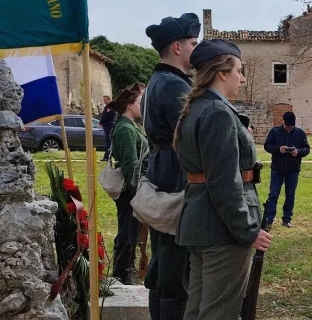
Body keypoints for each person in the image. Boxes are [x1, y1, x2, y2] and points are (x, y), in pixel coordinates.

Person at [173, 40, 272, 320]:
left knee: (197, 311)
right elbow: (224, 182)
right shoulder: (217, 113)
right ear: (222, 73)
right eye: (239, 71)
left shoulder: (198, 109)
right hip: (222, 230)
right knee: (219, 313)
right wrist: (247, 230)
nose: (242, 78)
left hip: (202, 223)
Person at [141, 12, 200, 319]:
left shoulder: (158, 81)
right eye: (193, 43)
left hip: (164, 169)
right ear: (177, 47)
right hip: (176, 174)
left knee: (164, 262)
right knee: (176, 269)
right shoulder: (173, 85)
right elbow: (192, 137)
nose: (196, 49)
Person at [109, 83, 146, 285]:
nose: (143, 105)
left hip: (135, 190)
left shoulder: (132, 125)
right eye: (140, 101)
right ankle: (121, 273)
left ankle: (127, 268)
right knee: (127, 232)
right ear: (130, 105)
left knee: (133, 231)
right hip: (130, 191)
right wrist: (139, 192)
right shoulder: (125, 129)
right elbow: (131, 166)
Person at [263, 111, 311, 228]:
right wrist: (279, 149)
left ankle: (287, 219)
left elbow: (307, 149)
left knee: (290, 195)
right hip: (277, 168)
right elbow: (267, 146)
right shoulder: (275, 131)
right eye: (287, 125)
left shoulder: (300, 133)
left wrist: (297, 152)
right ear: (282, 121)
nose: (289, 127)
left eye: (291, 126)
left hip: (293, 169)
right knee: (273, 194)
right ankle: (269, 219)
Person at [99, 95, 118, 161]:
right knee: (109, 141)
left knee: (108, 141)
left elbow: (106, 116)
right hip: (109, 125)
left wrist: (101, 122)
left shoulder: (110, 107)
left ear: (109, 99)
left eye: (105, 99)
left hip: (109, 125)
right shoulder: (111, 106)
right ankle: (109, 155)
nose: (104, 101)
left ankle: (107, 156)